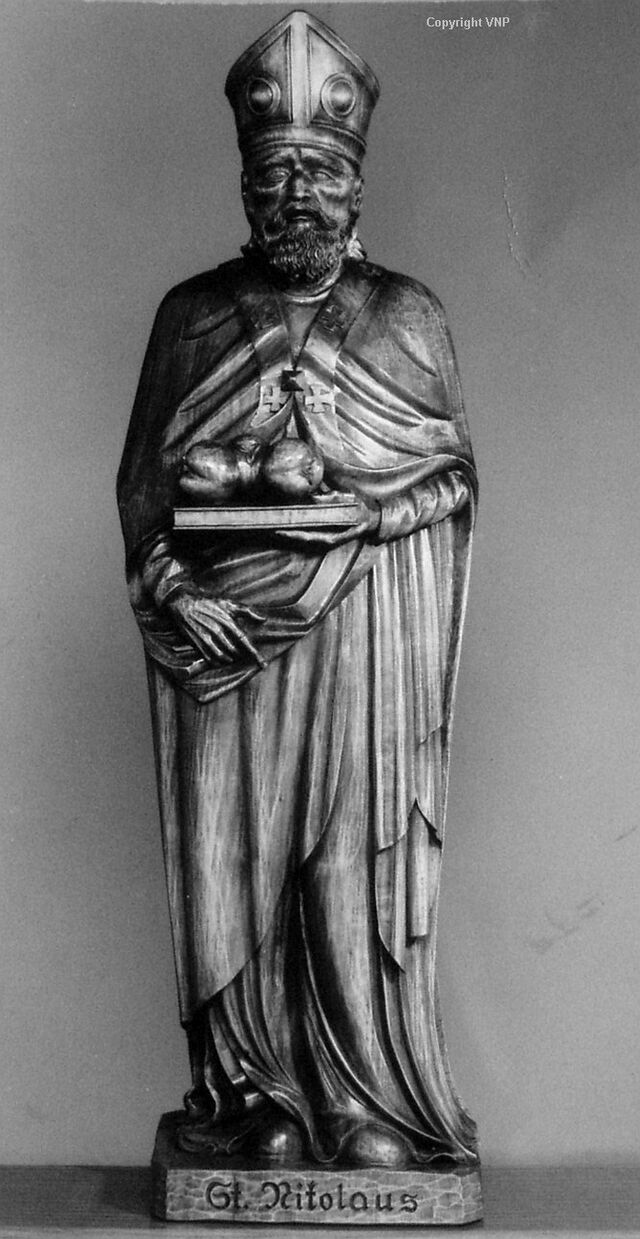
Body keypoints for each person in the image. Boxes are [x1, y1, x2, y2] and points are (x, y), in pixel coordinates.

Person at [118, 9, 478, 1171]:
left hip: (364, 636)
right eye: (273, 175)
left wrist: (375, 514)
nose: (295, 197)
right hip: (224, 644)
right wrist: (175, 592)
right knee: (234, 859)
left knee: (342, 865)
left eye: (318, 173)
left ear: (354, 183)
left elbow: (451, 480)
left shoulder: (406, 313)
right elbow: (143, 491)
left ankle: (363, 1102)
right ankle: (249, 1098)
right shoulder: (193, 314)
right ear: (244, 183)